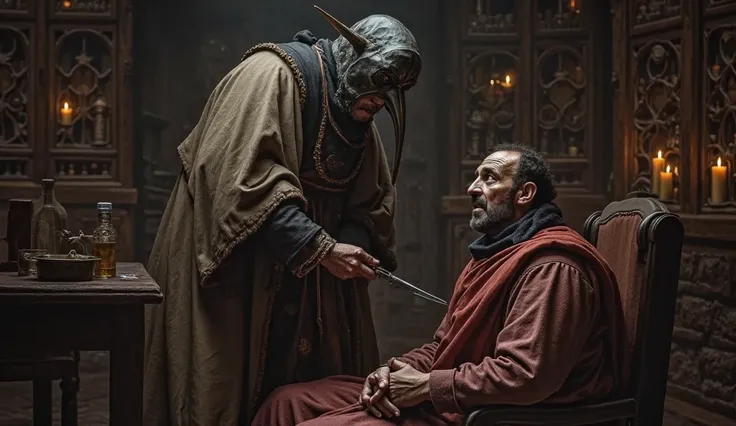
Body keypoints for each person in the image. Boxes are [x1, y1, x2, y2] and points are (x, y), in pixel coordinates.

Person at [142, 6, 422, 425]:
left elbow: (371, 202)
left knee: (304, 396)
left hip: (311, 279)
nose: (380, 102)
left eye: (389, 94)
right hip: (242, 265)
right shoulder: (272, 75)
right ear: (352, 54)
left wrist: (350, 248)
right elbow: (239, 178)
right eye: (379, 86)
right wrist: (321, 247)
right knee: (225, 389)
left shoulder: (356, 105)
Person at [252, 143, 630, 426]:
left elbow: (524, 375)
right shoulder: (495, 254)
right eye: (476, 176)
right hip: (452, 396)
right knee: (285, 403)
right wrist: (395, 371)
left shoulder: (552, 267)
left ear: (525, 194)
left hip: (495, 415)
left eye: (489, 178)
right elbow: (443, 346)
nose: (472, 187)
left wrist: (427, 387)